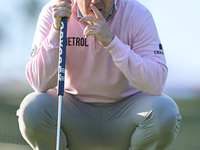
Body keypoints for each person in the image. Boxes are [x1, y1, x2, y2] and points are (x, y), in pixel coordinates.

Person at [17, 0, 181, 149]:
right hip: (72, 112)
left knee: (165, 110)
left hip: (126, 114)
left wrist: (112, 42)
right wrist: (56, 31)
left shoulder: (137, 14)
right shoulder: (54, 12)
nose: (95, 1)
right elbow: (39, 82)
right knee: (32, 108)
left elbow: (156, 82)